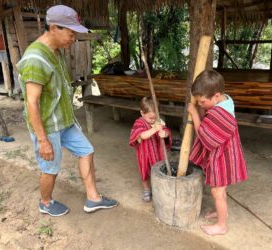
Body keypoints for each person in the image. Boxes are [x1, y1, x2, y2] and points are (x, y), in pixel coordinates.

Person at [17, 5, 117, 217]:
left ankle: (93, 198)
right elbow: (31, 103)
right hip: (48, 126)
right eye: (71, 33)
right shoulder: (35, 58)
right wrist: (43, 140)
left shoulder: (56, 51)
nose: (73, 38)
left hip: (64, 120)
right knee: (50, 168)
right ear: (54, 28)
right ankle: (45, 202)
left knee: (86, 151)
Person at [187, 70, 248, 236]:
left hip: (223, 156)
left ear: (216, 95)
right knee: (221, 189)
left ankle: (221, 225)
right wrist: (201, 107)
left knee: (217, 191)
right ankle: (223, 213)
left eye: (202, 101)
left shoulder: (220, 114)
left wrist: (194, 114)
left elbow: (206, 137)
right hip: (227, 151)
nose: (200, 104)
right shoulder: (226, 100)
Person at [129, 97, 172, 202]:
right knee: (144, 171)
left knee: (159, 170)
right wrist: (154, 129)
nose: (153, 120)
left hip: (157, 153)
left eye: (155, 117)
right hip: (145, 154)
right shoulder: (139, 122)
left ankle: (158, 188)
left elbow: (167, 131)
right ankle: (146, 189)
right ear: (142, 113)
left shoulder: (159, 122)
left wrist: (165, 133)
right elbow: (142, 135)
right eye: (150, 118)